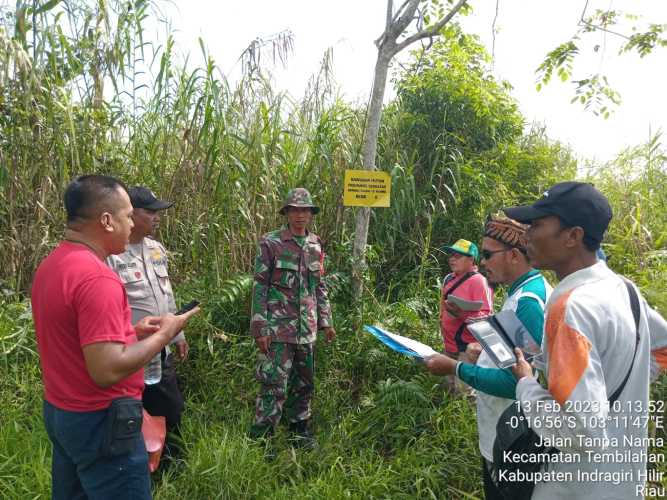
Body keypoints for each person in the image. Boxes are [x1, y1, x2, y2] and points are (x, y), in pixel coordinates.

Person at [31, 175, 199, 499]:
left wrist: (131, 332)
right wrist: (166, 333)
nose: (130, 223)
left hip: (63, 413)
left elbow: (73, 338)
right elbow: (106, 369)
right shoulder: (97, 278)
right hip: (101, 422)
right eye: (126, 216)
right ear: (107, 221)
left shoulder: (53, 265)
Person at [504, 181, 652, 499]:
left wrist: (526, 383)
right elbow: (662, 348)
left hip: (577, 486)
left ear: (573, 236)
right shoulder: (624, 289)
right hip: (624, 481)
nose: (526, 234)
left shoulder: (570, 307)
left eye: (537, 224)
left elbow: (581, 431)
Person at [426, 216, 551, 499]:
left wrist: (456, 368)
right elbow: (520, 357)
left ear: (515, 255)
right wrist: (487, 348)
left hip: (514, 438)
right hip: (506, 431)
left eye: (487, 254)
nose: (482, 263)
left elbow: (517, 381)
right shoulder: (523, 291)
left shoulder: (527, 303)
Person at [248, 188, 335, 446]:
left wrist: (326, 321)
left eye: (305, 210)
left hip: (306, 329)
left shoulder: (315, 244)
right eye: (295, 210)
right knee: (273, 383)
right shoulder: (271, 243)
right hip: (277, 330)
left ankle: (300, 429)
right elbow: (260, 286)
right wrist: (260, 327)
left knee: (304, 382)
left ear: (310, 214)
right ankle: (262, 437)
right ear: (286, 213)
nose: (300, 215)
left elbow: (319, 286)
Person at [106, 186, 188, 457]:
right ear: (131, 213)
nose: (157, 217)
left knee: (171, 408)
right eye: (151, 212)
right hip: (129, 351)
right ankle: (140, 462)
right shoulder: (113, 255)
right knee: (133, 411)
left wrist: (177, 334)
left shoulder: (156, 249)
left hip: (159, 349)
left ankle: (169, 462)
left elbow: (167, 294)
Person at [439, 238, 493, 391]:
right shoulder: (448, 278)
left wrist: (462, 314)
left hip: (467, 348)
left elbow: (487, 318)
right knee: (447, 390)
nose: (452, 259)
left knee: (464, 394)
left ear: (471, 259)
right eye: (451, 255)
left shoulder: (479, 282)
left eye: (458, 256)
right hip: (448, 345)